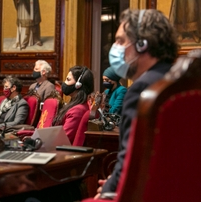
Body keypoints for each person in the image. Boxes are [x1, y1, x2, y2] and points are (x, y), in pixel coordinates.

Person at [94, 8, 179, 199]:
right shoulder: (181, 83)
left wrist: (109, 190)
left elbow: (132, 159)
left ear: (142, 44)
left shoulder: (143, 90)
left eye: (120, 40)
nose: (114, 47)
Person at [52, 65, 94, 143]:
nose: (64, 83)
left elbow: (63, 139)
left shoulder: (77, 110)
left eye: (68, 80)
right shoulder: (77, 105)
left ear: (78, 85)